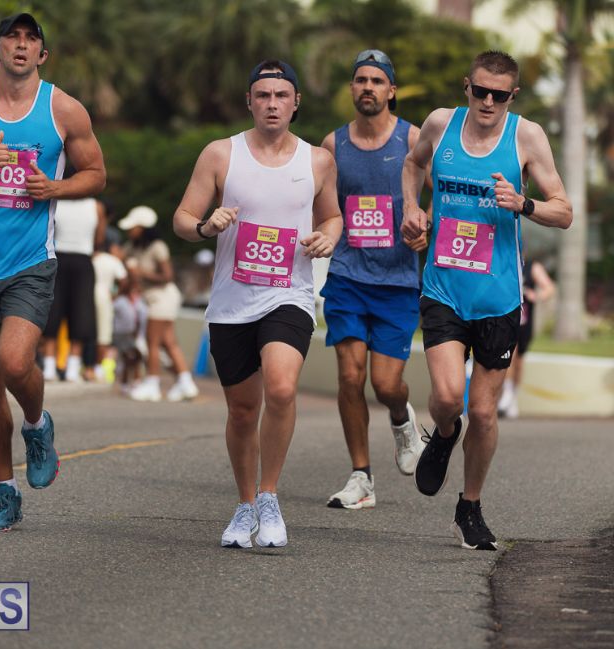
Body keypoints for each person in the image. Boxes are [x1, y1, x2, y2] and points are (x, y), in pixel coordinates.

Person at [0, 12, 106, 531]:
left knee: (13, 363)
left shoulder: (63, 110)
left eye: (32, 39)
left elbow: (96, 174)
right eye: (13, 36)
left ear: (42, 55)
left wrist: (54, 188)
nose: (22, 45)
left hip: (31, 261)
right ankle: (5, 492)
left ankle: (37, 423)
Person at [401, 50, 572, 550]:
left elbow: (564, 211)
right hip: (444, 288)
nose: (489, 102)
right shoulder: (440, 125)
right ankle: (443, 430)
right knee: (450, 398)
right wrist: (412, 209)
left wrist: (525, 204)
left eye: (500, 94)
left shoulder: (527, 136)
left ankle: (469, 508)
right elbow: (413, 166)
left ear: (512, 96)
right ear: (466, 87)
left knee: (484, 413)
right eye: (481, 91)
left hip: (499, 297)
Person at [174, 60, 342, 549]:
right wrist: (208, 225)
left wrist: (327, 238)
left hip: (288, 294)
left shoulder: (316, 161)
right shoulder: (220, 154)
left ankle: (269, 496)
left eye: (281, 95)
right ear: (249, 101)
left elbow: (332, 217)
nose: (272, 103)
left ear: (296, 102)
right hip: (231, 300)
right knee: (243, 411)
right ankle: (245, 505)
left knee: (282, 387)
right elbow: (183, 218)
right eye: (263, 95)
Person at [320, 49, 427, 510]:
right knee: (349, 376)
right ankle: (361, 477)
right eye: (360, 79)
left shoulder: (414, 138)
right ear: (352, 88)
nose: (368, 87)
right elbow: (324, 208)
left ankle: (403, 422)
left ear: (391, 90)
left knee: (386, 385)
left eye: (377, 81)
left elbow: (440, 200)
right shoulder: (332, 145)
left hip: (398, 278)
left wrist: (428, 230)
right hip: (347, 274)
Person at [119, 206, 199, 403]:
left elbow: (167, 276)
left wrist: (141, 274)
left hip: (163, 297)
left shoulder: (157, 247)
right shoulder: (132, 247)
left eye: (134, 227)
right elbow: (125, 264)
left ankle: (152, 384)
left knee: (152, 342)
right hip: (153, 298)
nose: (130, 231)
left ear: (143, 228)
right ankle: (186, 382)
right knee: (168, 342)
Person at [41, 196, 106, 382]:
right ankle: (71, 367)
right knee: (80, 311)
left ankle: (50, 366)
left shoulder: (56, 200)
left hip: (58, 257)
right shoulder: (96, 205)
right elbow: (99, 237)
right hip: (82, 259)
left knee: (55, 310)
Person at [497, 257, 555, 418]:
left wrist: (535, 295)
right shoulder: (502, 260)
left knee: (519, 362)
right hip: (506, 319)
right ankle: (506, 394)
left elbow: (548, 288)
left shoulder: (531, 267)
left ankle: (512, 396)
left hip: (525, 322)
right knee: (510, 356)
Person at [92, 238, 128, 383]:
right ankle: (98, 367)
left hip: (88, 294)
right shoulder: (114, 261)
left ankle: (85, 364)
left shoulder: (95, 258)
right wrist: (116, 294)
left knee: (89, 331)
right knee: (103, 334)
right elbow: (124, 280)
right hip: (104, 296)